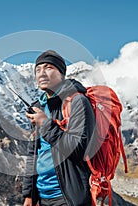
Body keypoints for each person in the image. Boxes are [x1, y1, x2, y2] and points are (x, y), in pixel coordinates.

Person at [22, 50, 96, 206]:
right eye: (38, 69)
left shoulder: (78, 102)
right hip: (42, 196)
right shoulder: (38, 107)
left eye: (48, 68)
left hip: (68, 198)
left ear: (62, 74)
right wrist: (29, 194)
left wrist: (46, 124)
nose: (42, 73)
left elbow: (81, 150)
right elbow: (33, 153)